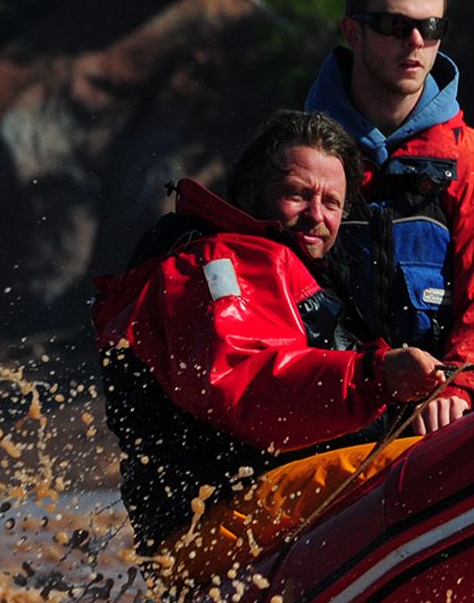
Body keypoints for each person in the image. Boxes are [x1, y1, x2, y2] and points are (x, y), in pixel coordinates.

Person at [94, 110, 444, 577]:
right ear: (251, 193)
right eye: (297, 195)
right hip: (210, 522)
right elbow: (247, 382)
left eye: (332, 203)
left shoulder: (290, 269)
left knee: (438, 448)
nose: (316, 217)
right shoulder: (212, 265)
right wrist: (376, 376)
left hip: (260, 502)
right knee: (433, 469)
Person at [305, 0, 474, 435]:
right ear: (353, 31)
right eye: (393, 25)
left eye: (431, 27)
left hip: (435, 427)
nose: (415, 41)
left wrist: (460, 385)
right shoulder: (296, 156)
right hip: (321, 421)